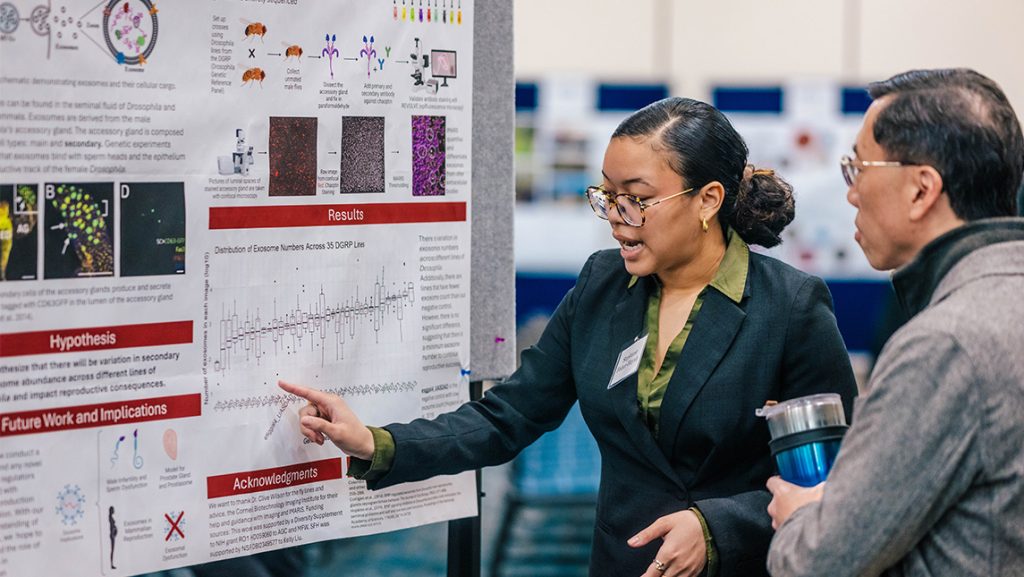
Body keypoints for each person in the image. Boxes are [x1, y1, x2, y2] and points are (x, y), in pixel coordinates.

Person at [281, 97, 857, 577]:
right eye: (608, 195)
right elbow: (508, 416)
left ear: (708, 200)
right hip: (621, 562)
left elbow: (841, 477)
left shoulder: (789, 308)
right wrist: (376, 442)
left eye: (638, 197)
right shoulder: (603, 284)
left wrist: (717, 528)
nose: (616, 216)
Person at [766, 68, 1024, 577]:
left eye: (857, 168)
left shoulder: (945, 344)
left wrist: (802, 518)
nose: (851, 194)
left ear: (921, 189)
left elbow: (818, 563)